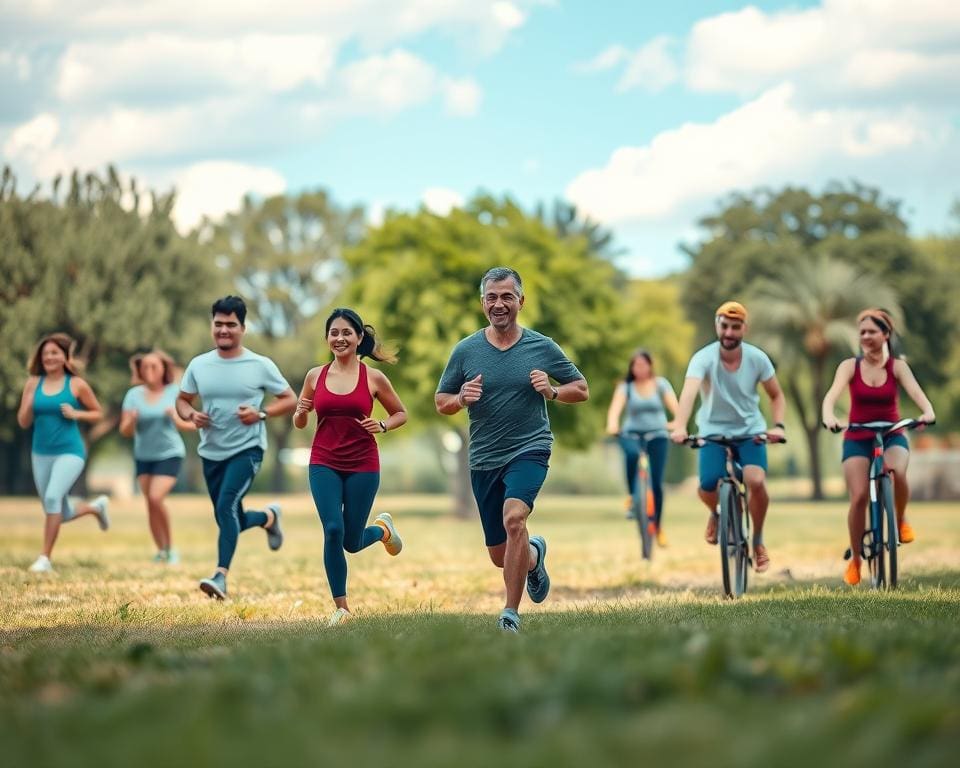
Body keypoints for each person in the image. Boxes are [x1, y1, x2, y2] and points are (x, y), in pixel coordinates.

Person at [436, 267, 589, 633]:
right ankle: (533, 556)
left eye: (507, 297)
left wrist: (552, 391)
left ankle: (510, 613)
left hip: (530, 447)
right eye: (492, 297)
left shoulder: (541, 346)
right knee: (500, 555)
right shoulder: (466, 350)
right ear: (482, 303)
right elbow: (441, 401)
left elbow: (581, 389)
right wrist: (461, 398)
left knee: (514, 518)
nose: (499, 304)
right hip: (484, 458)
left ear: (521, 301)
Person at [176, 296, 297, 599]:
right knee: (228, 517)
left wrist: (261, 414)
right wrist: (191, 415)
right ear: (212, 325)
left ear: (243, 328)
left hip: (247, 448)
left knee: (226, 506)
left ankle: (220, 576)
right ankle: (268, 518)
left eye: (231, 324)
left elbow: (290, 399)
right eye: (218, 324)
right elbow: (182, 401)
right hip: (211, 451)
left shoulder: (260, 365)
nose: (224, 330)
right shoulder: (199, 365)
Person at [293, 308, 408, 626]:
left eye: (346, 332)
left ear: (359, 338)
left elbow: (401, 413)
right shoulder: (314, 376)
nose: (340, 338)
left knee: (351, 542)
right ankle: (341, 608)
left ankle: (382, 530)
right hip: (324, 462)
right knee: (333, 530)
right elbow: (300, 421)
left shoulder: (373, 377)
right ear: (327, 339)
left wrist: (382, 425)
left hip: (363, 464)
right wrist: (300, 412)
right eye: (334, 333)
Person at [821, 308, 935, 586]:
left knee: (897, 470)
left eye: (872, 331)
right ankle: (856, 560)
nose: (865, 336)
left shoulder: (898, 367)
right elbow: (831, 396)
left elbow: (917, 393)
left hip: (892, 433)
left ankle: (900, 519)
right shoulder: (850, 366)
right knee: (859, 496)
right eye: (862, 332)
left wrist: (927, 412)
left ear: (886, 335)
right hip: (857, 436)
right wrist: (829, 416)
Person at [670, 301, 786, 573]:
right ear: (717, 326)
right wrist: (680, 426)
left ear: (744, 328)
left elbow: (776, 395)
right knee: (708, 484)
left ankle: (757, 540)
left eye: (735, 327)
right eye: (725, 326)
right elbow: (688, 394)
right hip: (712, 431)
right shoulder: (703, 358)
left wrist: (779, 425)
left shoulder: (757, 358)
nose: (729, 332)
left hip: (750, 431)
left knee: (755, 480)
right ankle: (716, 513)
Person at [17, 333, 110, 572]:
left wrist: (77, 413)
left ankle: (44, 559)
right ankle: (96, 508)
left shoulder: (76, 384)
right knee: (61, 511)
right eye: (45, 353)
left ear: (65, 357)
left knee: (52, 498)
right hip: (40, 453)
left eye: (55, 353)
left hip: (71, 452)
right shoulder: (33, 383)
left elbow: (98, 413)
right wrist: (29, 400)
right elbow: (24, 422)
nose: (49, 357)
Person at [120, 350, 195, 564]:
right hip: (143, 455)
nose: (149, 370)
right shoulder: (133, 395)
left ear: (164, 369)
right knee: (151, 504)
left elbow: (192, 425)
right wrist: (131, 421)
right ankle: (161, 550)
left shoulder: (175, 392)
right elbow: (125, 431)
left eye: (154, 366)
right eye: (145, 366)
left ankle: (170, 549)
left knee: (155, 498)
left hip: (170, 454)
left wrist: (175, 418)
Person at [605, 348, 679, 545]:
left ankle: (658, 527)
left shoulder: (661, 385)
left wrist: (676, 423)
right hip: (632, 434)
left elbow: (677, 409)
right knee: (631, 455)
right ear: (631, 368)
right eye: (636, 365)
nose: (639, 368)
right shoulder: (626, 387)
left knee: (657, 484)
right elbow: (615, 410)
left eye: (643, 364)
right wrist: (612, 424)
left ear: (650, 366)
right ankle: (632, 496)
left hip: (658, 434)